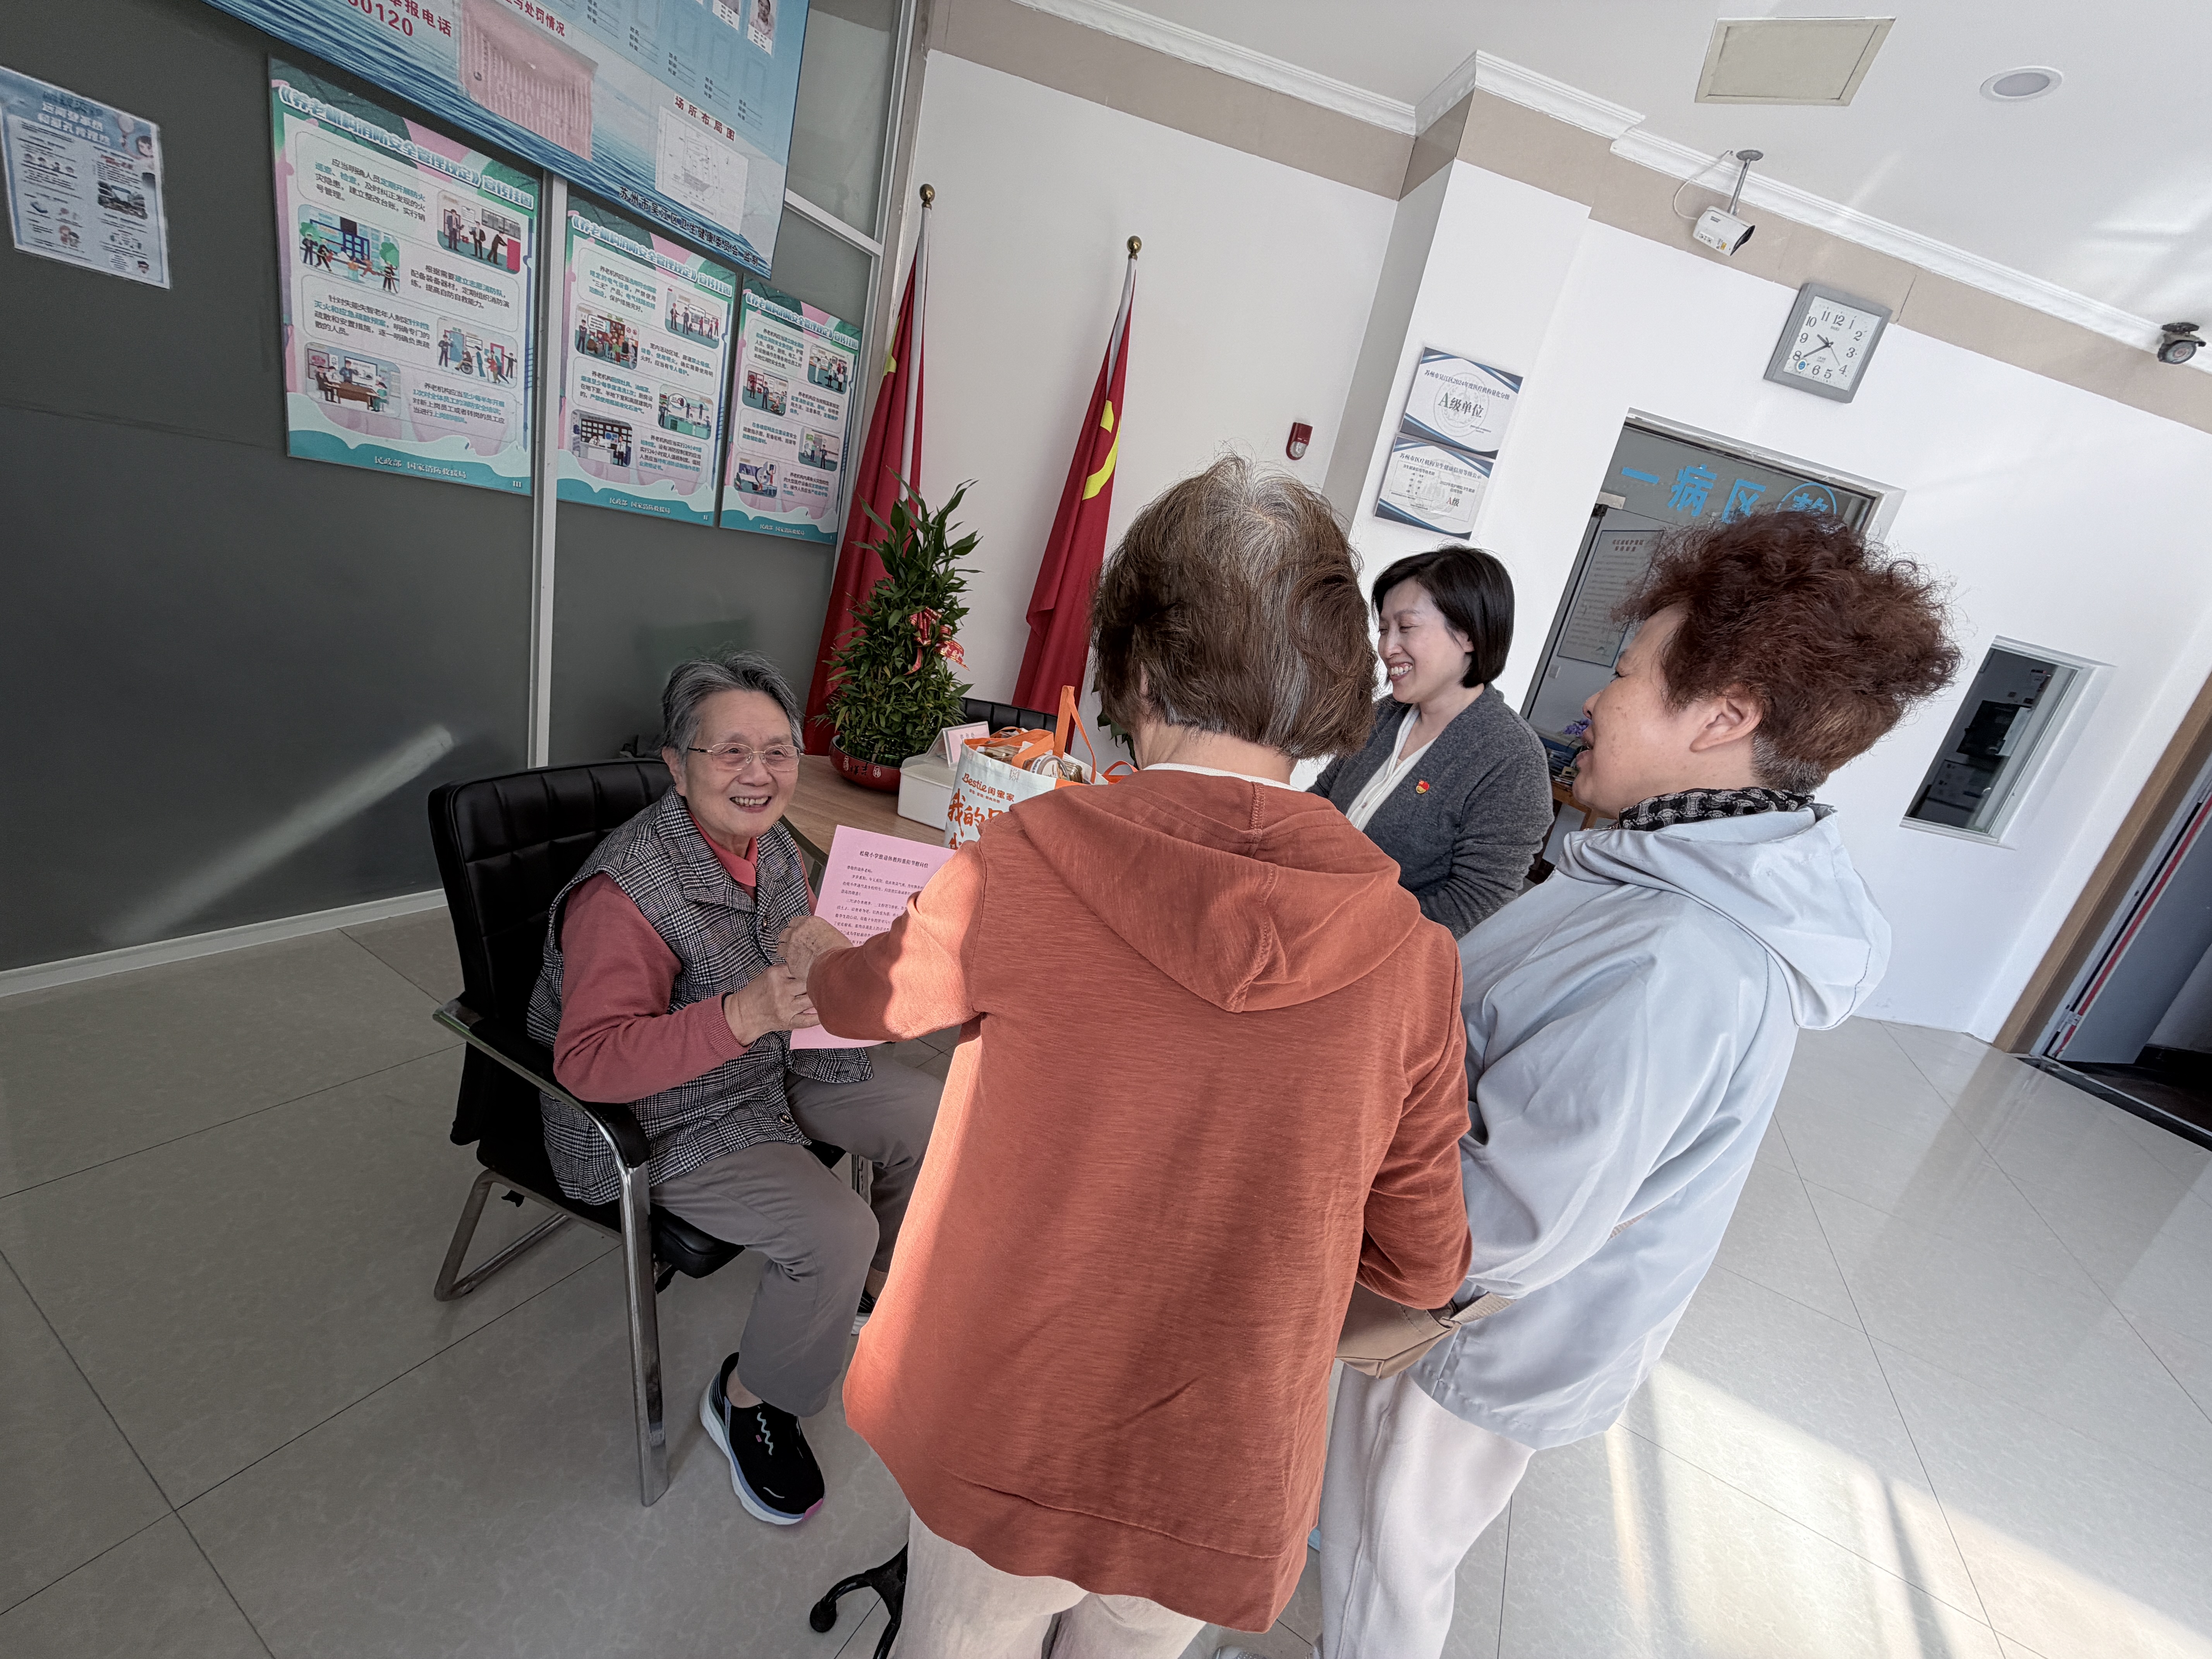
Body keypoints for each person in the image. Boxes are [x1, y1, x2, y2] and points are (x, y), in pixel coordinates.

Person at [779, 456, 1475, 1657]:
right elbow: (1420, 1262)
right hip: (1212, 1469)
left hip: (1005, 1423)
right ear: (1329, 689)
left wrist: (813, 949)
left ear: (1139, 671)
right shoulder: (1413, 959)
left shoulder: (1026, 861)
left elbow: (862, 1000)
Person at [1304, 510, 1959, 1659]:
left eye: (1624, 675)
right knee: (1370, 1538)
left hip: (1476, 1328)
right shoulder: (1650, 867)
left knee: (1386, 1568)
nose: (1595, 704)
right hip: (1456, 1294)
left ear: (1723, 719)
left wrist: (1321, 1156)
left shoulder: (1680, 956)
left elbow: (1510, 1220)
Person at [523, 652, 940, 1527]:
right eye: (731, 752)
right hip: (668, 1111)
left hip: (772, 1062)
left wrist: (825, 947)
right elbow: (587, 1062)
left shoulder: (772, 842)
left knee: (936, 1115)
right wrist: (741, 1014)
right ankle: (750, 1397)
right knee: (833, 1227)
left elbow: (791, 933)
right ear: (677, 767)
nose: (760, 773)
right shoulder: (624, 895)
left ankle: (863, 1289)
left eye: (779, 751)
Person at [1311, 547, 1554, 936]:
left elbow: (1473, 902)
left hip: (1373, 950)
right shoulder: (1384, 715)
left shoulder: (1511, 759)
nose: (1387, 648)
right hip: (1311, 917)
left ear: (1469, 634)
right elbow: (1321, 799)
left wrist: (1350, 931)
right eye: (1384, 629)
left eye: (1406, 627)